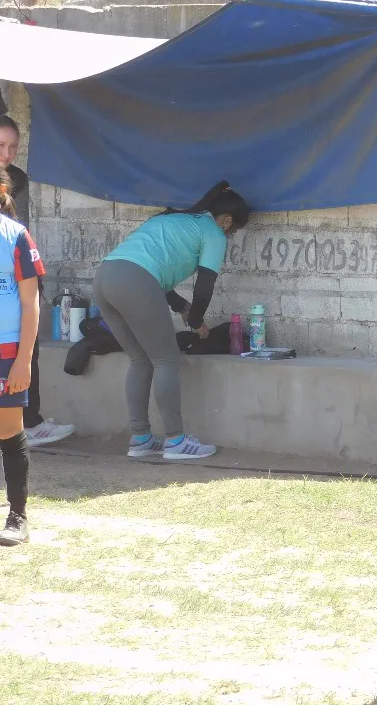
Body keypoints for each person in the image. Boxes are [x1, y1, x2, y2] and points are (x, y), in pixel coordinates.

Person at [93, 181, 249, 461]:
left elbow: (152, 271)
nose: (232, 234)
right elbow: (204, 286)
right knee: (166, 359)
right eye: (235, 229)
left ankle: (140, 438)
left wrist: (183, 308)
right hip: (135, 281)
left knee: (140, 360)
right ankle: (176, 441)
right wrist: (196, 320)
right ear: (226, 221)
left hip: (105, 277)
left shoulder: (177, 218)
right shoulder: (214, 234)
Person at [0, 115, 75, 448]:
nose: (7, 153)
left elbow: (18, 232)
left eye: (13, 147)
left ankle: (30, 421)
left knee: (27, 353)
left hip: (17, 285)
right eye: (1, 146)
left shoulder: (16, 180)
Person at [0, 170, 43, 546]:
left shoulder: (15, 236)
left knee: (8, 430)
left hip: (7, 352)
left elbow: (31, 304)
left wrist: (23, 360)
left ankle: (17, 516)